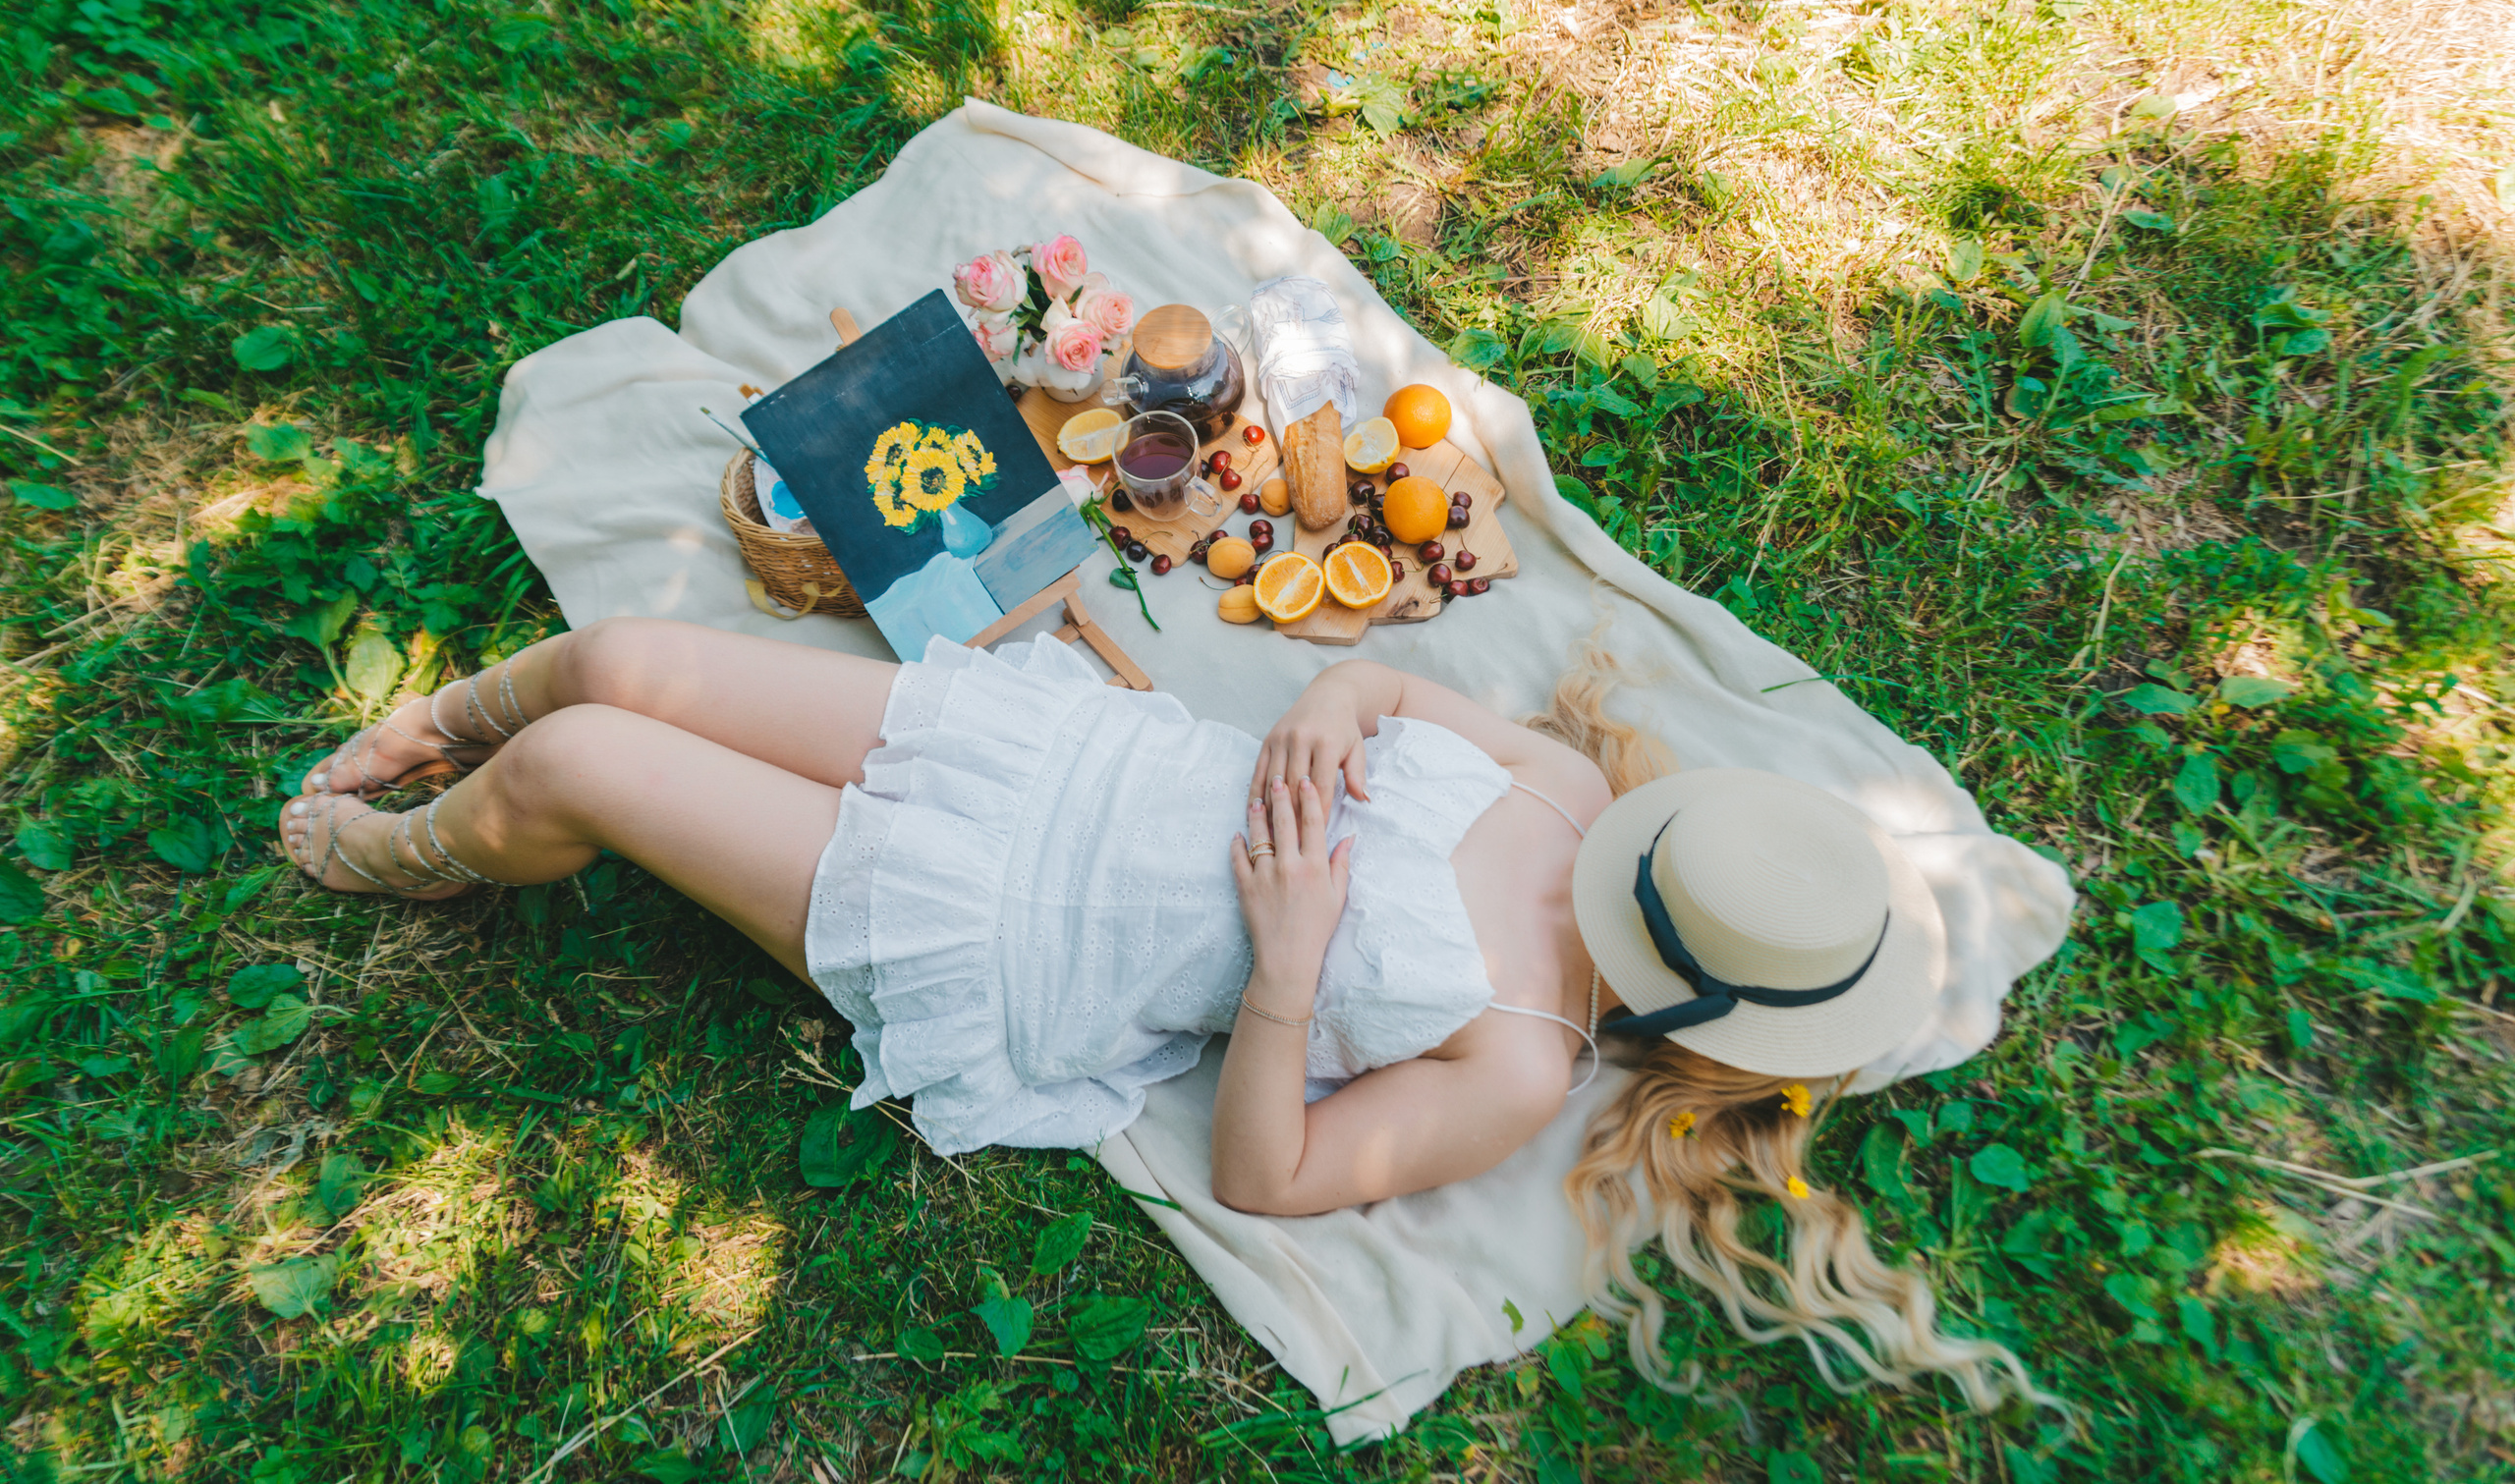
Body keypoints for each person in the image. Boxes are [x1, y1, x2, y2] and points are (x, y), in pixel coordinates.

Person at [280, 617, 2046, 1406]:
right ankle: (446, 714)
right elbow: (1377, 679)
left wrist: (1284, 971)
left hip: (1014, 920)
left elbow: (1269, 1175)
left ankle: (412, 850)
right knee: (615, 664)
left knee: (590, 761)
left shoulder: (1518, 1056)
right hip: (1053, 755)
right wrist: (1329, 710)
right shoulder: (1575, 794)